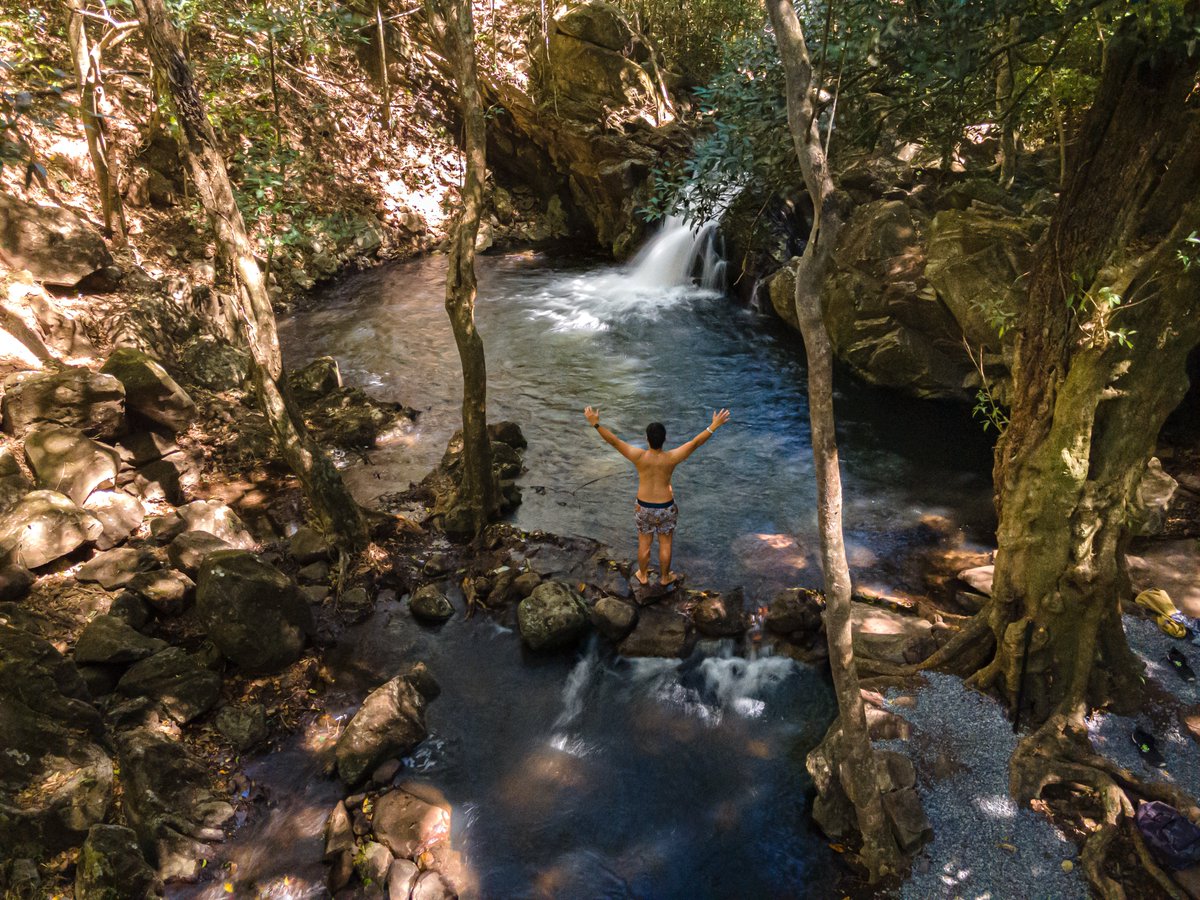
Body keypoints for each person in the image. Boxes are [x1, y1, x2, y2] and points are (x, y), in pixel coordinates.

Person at [584, 405, 731, 588]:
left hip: (644, 506)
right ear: (665, 439)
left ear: (647, 439)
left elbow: (614, 441)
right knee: (665, 543)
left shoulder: (638, 456)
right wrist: (714, 425)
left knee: (644, 543)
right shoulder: (671, 457)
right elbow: (695, 443)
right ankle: (664, 578)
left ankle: (643, 575)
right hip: (665, 507)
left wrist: (596, 424)